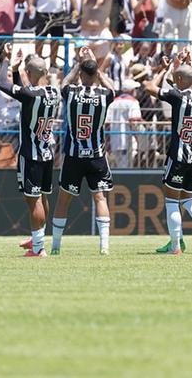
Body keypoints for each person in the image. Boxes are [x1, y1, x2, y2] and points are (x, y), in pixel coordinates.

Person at [145, 51, 192, 256]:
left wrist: (164, 69)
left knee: (171, 200)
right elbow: (184, 82)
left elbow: (150, 87)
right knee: (188, 199)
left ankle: (176, 245)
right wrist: (183, 67)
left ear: (178, 79)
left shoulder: (178, 96)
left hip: (178, 155)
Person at [0, 44, 63, 257]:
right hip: (46, 153)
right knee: (40, 198)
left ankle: (38, 247)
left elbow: (1, 84)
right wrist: (17, 72)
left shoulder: (30, 94)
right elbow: (23, 93)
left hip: (31, 154)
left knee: (33, 200)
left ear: (31, 73)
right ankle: (38, 239)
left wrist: (7, 61)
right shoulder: (54, 93)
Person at [50, 47, 116, 255]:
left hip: (74, 155)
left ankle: (55, 247)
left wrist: (79, 62)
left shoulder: (71, 94)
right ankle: (104, 246)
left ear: (81, 74)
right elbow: (112, 88)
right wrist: (98, 69)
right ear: (95, 75)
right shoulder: (105, 95)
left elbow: (64, 83)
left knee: (63, 200)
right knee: (100, 198)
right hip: (96, 155)